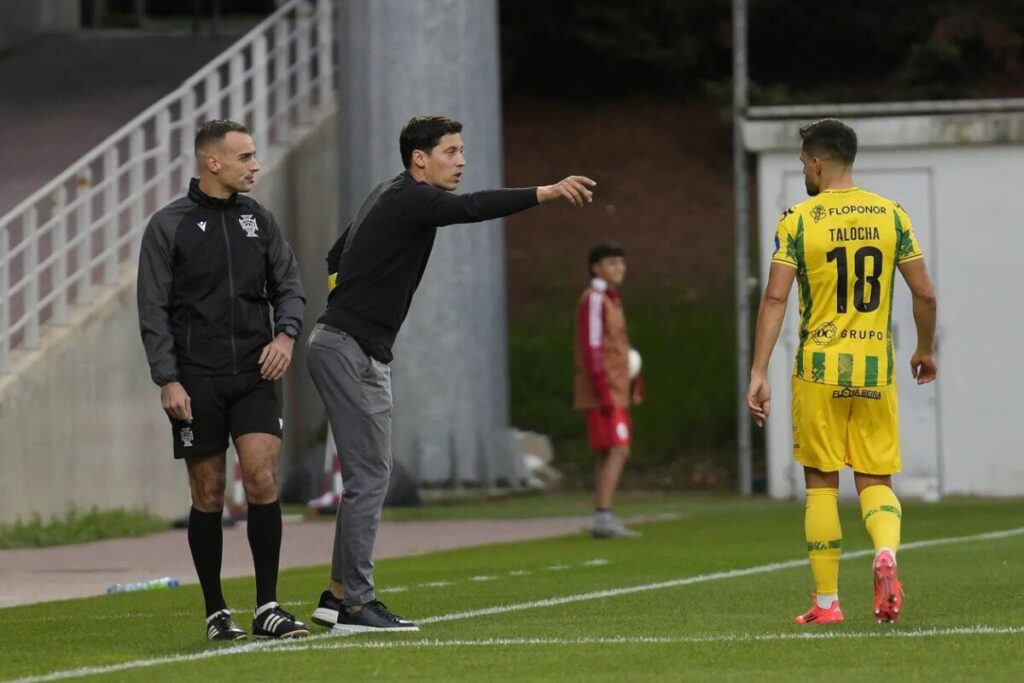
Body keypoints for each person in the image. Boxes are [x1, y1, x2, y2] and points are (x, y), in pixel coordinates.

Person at [306, 114, 596, 633]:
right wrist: (546, 192)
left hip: (343, 342)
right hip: (348, 347)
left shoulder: (389, 193)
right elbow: (473, 208)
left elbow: (335, 254)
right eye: (451, 152)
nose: (461, 162)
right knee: (371, 477)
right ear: (420, 158)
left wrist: (347, 302)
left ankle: (337, 596)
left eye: (462, 152)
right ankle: (356, 606)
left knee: (366, 476)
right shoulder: (414, 198)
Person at [746, 118, 937, 625]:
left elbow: (775, 297)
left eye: (803, 161)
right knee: (876, 478)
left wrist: (758, 371)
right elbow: (925, 292)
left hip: (819, 371)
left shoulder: (798, 220)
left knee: (822, 483)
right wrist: (924, 349)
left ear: (817, 161)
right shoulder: (891, 215)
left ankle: (827, 603)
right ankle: (886, 555)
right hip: (875, 370)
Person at [137, 119, 309, 641]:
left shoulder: (260, 220)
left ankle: (268, 607)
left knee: (260, 478)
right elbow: (152, 309)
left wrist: (285, 338)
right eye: (246, 157)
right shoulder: (169, 226)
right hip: (196, 379)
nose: (255, 165)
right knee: (208, 492)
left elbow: (290, 286)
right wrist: (168, 377)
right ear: (213, 163)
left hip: (255, 373)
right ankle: (216, 612)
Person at [573, 242, 645, 539]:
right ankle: (603, 517)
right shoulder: (595, 299)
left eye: (621, 263)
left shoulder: (613, 300)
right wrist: (602, 389)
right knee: (618, 449)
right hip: (604, 390)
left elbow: (620, 347)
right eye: (612, 263)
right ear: (596, 267)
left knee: (609, 451)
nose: (619, 268)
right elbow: (592, 346)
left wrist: (634, 380)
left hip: (617, 387)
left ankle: (604, 515)